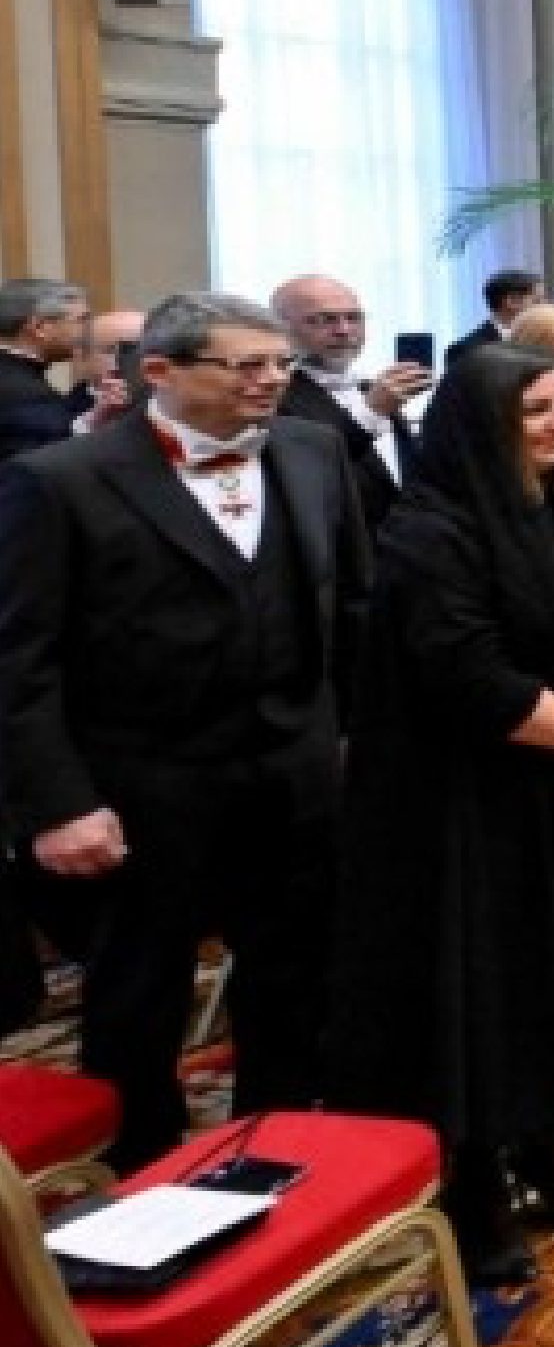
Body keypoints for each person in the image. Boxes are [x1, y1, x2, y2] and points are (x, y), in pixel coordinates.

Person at [0, 293, 371, 1166]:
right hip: (142, 786)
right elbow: (19, 659)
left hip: (294, 772)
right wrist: (59, 805)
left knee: (292, 977)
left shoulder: (312, 450)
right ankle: (142, 1169)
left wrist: (353, 740)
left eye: (279, 363)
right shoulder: (62, 479)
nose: (272, 380)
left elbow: (353, 604)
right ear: (160, 371)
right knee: (140, 992)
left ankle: (273, 1150)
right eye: (248, 365)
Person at [330, 345, 554, 1285]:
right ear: (483, 422)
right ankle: (472, 1181)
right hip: (468, 798)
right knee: (482, 990)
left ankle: (550, 1140)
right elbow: (473, 680)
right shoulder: (428, 532)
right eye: (534, 411)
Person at [273, 271, 427, 522]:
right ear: (281, 329)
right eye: (324, 320)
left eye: (354, 318)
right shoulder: (274, 395)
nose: (344, 330)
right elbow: (311, 469)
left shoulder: (371, 386)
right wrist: (372, 412)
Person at [0, 279, 86, 461]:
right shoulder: (27, 396)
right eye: (81, 321)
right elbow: (49, 463)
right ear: (39, 328)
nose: (87, 332)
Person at [450, 268, 543, 360]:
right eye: (537, 301)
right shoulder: (466, 351)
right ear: (512, 301)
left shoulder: (543, 341)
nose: (544, 307)